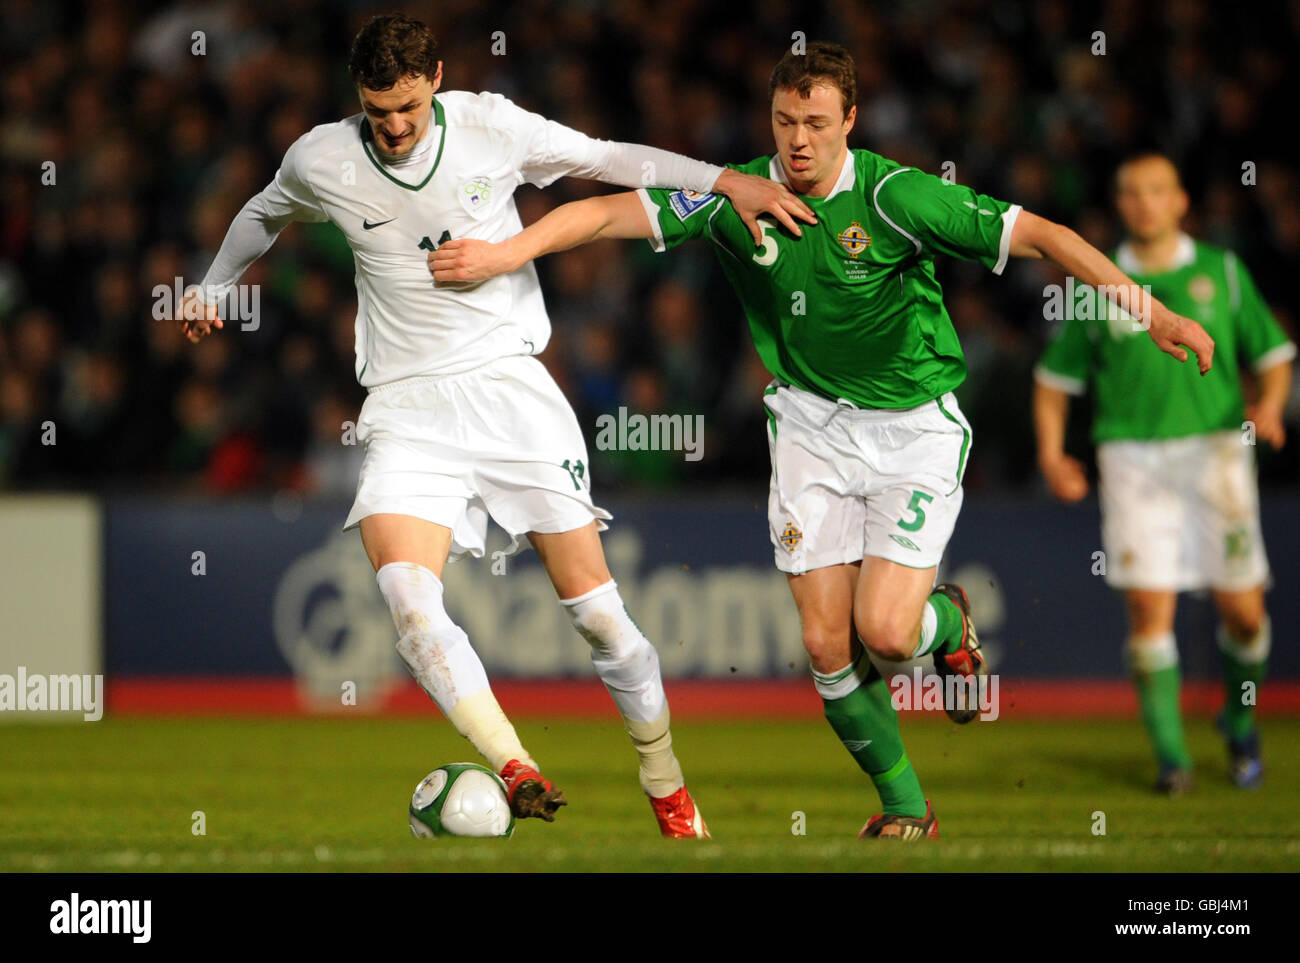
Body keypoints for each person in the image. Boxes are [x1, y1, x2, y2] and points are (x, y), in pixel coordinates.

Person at [428, 42, 1215, 838]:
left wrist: (1153, 312)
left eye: (815, 123)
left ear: (850, 122)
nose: (797, 140)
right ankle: (907, 805)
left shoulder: (895, 197)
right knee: (824, 641)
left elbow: (1042, 234)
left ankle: (945, 623)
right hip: (808, 425)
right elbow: (602, 211)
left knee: (887, 632)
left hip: (912, 428)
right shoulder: (736, 195)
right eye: (783, 121)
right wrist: (505, 252)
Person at [177, 13, 816, 837]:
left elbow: (606, 158)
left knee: (598, 616)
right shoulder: (323, 157)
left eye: (408, 107)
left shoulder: (492, 126)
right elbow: (265, 212)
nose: (397, 128)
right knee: (407, 601)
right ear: (359, 101)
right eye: (379, 113)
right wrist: (214, 285)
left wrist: (729, 181)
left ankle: (667, 786)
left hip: (511, 393)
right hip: (407, 406)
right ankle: (515, 764)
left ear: (436, 77)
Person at [1034, 152, 1291, 794]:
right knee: (1150, 608)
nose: (1143, 202)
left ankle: (1237, 719)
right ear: (1120, 205)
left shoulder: (1222, 272)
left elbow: (1275, 352)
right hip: (1131, 459)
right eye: (1130, 192)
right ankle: (1173, 760)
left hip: (1216, 455)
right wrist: (1051, 452)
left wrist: (1270, 404)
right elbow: (1053, 378)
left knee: (1246, 617)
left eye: (1156, 190)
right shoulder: (1100, 283)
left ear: (1180, 202)